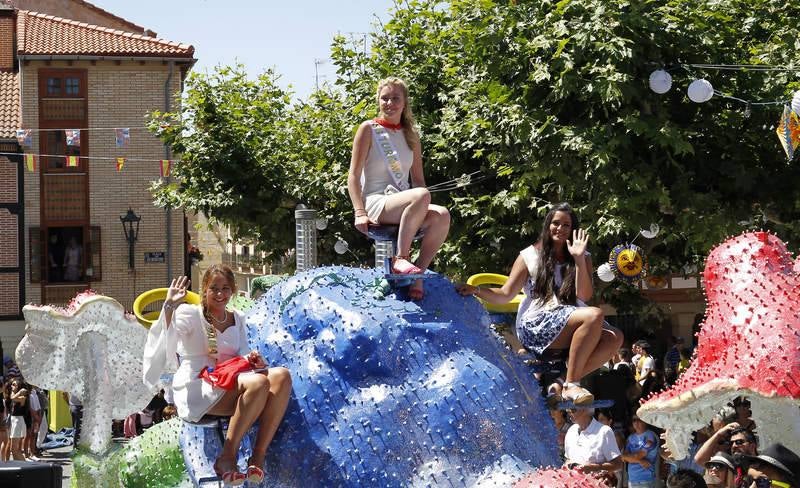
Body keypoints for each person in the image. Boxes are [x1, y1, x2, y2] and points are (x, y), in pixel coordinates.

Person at [457, 203, 623, 404]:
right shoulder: (529, 255)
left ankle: (560, 384)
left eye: (566, 225)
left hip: (571, 323)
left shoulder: (582, 256)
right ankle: (572, 384)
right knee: (595, 314)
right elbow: (505, 294)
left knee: (615, 337)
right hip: (536, 325)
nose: (560, 229)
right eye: (556, 223)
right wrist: (476, 290)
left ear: (573, 229)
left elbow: (584, 296)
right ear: (547, 225)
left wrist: (579, 260)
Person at [143, 265, 292, 485]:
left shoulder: (238, 318)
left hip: (231, 381)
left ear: (232, 290)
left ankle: (258, 456)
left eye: (225, 288)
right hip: (197, 384)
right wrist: (169, 306)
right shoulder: (190, 314)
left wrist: (253, 359)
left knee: (282, 375)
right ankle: (227, 457)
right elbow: (168, 335)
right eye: (214, 288)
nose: (220, 294)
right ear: (205, 290)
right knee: (259, 382)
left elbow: (241, 355)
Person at [347, 77, 451, 300]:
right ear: (378, 101)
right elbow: (353, 176)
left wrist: (423, 204)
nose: (389, 103)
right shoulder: (368, 129)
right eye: (384, 98)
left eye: (395, 98)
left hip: (404, 202)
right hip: (376, 202)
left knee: (442, 214)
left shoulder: (411, 135)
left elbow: (419, 181)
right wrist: (359, 212)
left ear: (404, 103)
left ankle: (419, 273)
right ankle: (401, 259)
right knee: (421, 195)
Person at [563, 406, 623, 487]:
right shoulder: (571, 430)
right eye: (567, 408)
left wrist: (593, 468)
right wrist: (567, 465)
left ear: (585, 410)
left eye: (573, 410)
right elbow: (568, 459)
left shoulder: (604, 431)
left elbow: (618, 464)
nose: (568, 411)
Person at [622, 415, 659, 488]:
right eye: (634, 420)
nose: (636, 422)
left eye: (639, 419)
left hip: (646, 480)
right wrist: (640, 461)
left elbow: (637, 455)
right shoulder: (630, 437)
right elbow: (623, 457)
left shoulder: (651, 436)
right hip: (632, 480)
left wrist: (630, 458)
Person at [8, 379, 28, 460]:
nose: (11, 386)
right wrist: (17, 391)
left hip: (18, 421)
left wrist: (19, 392)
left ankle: (25, 467)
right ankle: (19, 467)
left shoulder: (22, 397)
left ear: (19, 387)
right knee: (13, 449)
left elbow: (13, 398)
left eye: (14, 384)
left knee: (15, 449)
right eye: (11, 384)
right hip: (13, 420)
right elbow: (11, 396)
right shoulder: (14, 393)